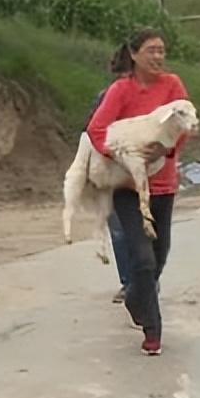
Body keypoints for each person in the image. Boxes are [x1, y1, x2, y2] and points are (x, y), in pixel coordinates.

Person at [85, 29, 190, 356]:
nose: (158, 57)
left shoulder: (172, 86)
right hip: (127, 186)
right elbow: (96, 129)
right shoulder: (121, 90)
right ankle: (152, 329)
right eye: (151, 51)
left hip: (163, 184)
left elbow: (185, 123)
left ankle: (134, 295)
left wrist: (167, 152)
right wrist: (117, 154)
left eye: (161, 51)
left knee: (159, 255)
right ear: (134, 54)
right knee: (142, 259)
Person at [86, 86, 133, 303]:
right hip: (112, 172)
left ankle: (146, 279)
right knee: (119, 230)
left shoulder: (153, 99)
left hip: (143, 174)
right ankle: (128, 283)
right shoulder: (105, 98)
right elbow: (93, 133)